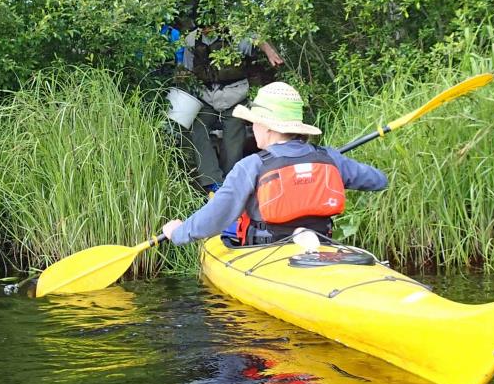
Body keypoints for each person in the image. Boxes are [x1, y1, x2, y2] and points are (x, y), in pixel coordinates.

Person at [161, 82, 388, 247]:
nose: (252, 128)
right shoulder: (329, 157)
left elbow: (216, 215)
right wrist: (330, 162)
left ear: (268, 128)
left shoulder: (250, 166)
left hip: (264, 252)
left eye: (254, 123)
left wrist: (179, 232)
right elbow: (379, 180)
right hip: (321, 244)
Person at [164, 19, 285, 191]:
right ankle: (213, 182)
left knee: (233, 137)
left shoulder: (235, 35)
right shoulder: (192, 39)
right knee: (196, 126)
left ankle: (231, 182)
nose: (207, 28)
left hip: (235, 95)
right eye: (203, 25)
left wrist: (270, 52)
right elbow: (187, 68)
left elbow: (256, 39)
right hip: (206, 96)